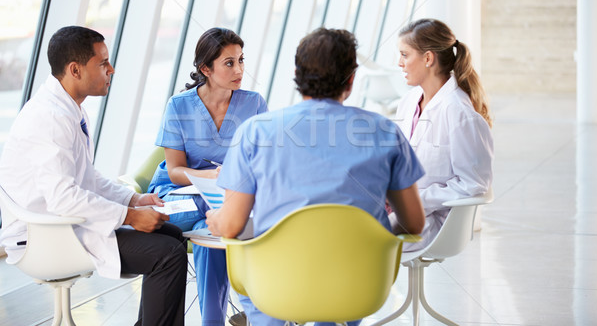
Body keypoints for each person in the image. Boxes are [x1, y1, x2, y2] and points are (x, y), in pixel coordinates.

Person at [206, 27, 426, 326]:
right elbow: (414, 222)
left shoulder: (256, 131)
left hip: (278, 287)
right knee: (337, 298)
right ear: (350, 79)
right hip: (357, 288)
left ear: (297, 74)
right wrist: (374, 231)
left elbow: (231, 225)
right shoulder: (385, 132)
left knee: (255, 278)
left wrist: (216, 218)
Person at [0, 26, 188, 325]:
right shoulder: (51, 118)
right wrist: (129, 216)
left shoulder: (69, 109)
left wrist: (135, 199)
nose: (111, 70)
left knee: (174, 237)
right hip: (44, 236)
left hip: (64, 222)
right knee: (167, 254)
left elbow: (86, 177)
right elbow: (64, 198)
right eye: (103, 63)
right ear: (75, 69)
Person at [146, 27, 268, 325]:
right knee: (214, 215)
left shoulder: (253, 103)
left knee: (209, 231)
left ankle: (213, 321)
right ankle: (258, 312)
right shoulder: (179, 106)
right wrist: (209, 175)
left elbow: (263, 162)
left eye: (241, 60)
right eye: (229, 63)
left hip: (224, 200)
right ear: (205, 68)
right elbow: (174, 171)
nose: (239, 69)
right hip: (178, 199)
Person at [393, 18, 494, 251]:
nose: (399, 63)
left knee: (355, 237)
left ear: (428, 58)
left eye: (405, 55)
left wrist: (418, 200)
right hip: (403, 207)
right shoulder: (409, 102)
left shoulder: (459, 112)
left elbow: (474, 185)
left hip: (432, 221)